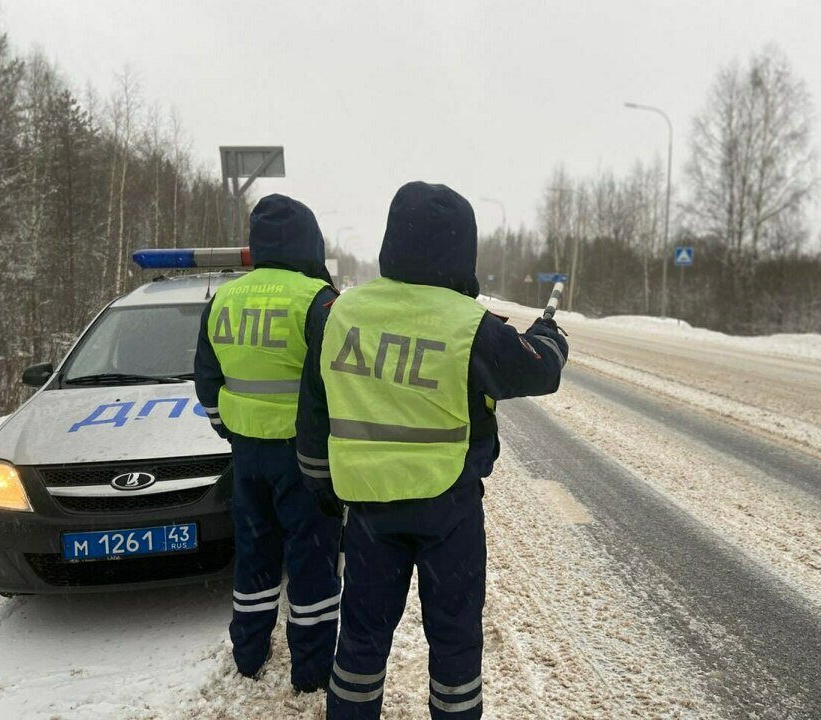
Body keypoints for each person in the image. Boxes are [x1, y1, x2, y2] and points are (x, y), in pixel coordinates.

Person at [295, 181, 568, 719]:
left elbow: (313, 417)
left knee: (361, 642)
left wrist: (323, 488)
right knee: (456, 644)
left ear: (392, 241)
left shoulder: (338, 315)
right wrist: (551, 335)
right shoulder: (470, 326)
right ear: (462, 248)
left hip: (370, 510)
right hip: (449, 512)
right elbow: (539, 369)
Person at [194, 194, 342, 691]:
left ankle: (250, 655)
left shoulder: (223, 299)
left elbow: (207, 382)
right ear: (309, 241)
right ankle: (312, 669)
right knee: (311, 561)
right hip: (305, 459)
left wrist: (231, 429)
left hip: (248, 456)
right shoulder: (318, 300)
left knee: (255, 555)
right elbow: (333, 385)